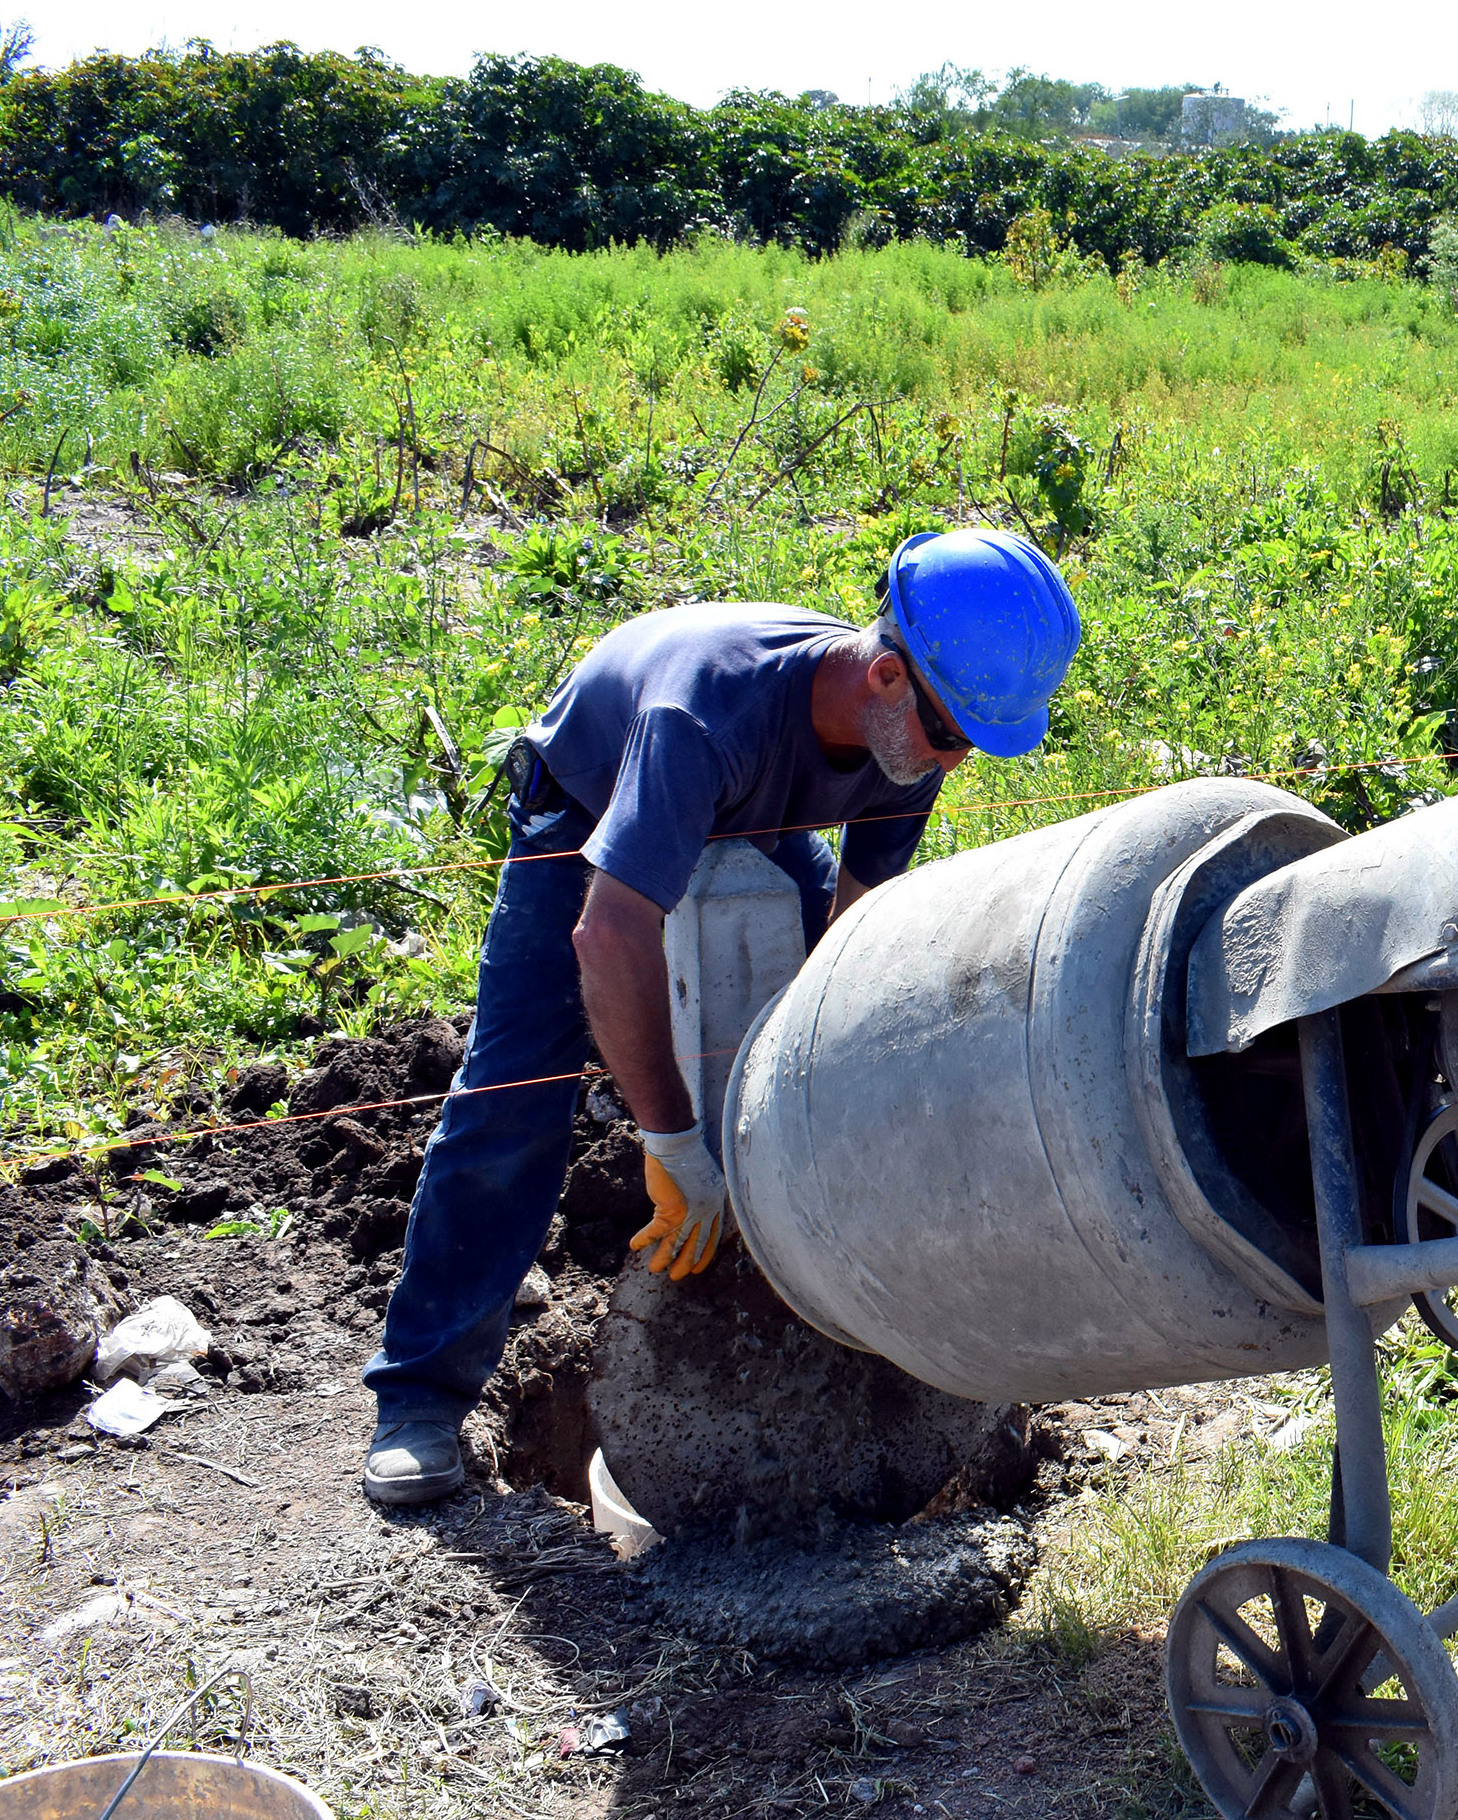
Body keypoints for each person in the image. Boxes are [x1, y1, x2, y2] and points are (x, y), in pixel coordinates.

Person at [358, 529, 1083, 1507]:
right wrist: (675, 1141)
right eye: (954, 736)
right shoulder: (706, 712)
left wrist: (814, 1099)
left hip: (754, 815)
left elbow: (854, 941)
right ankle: (419, 1401)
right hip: (593, 795)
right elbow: (609, 936)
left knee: (855, 1041)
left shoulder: (907, 742)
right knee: (514, 1092)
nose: (955, 761)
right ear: (883, 675)